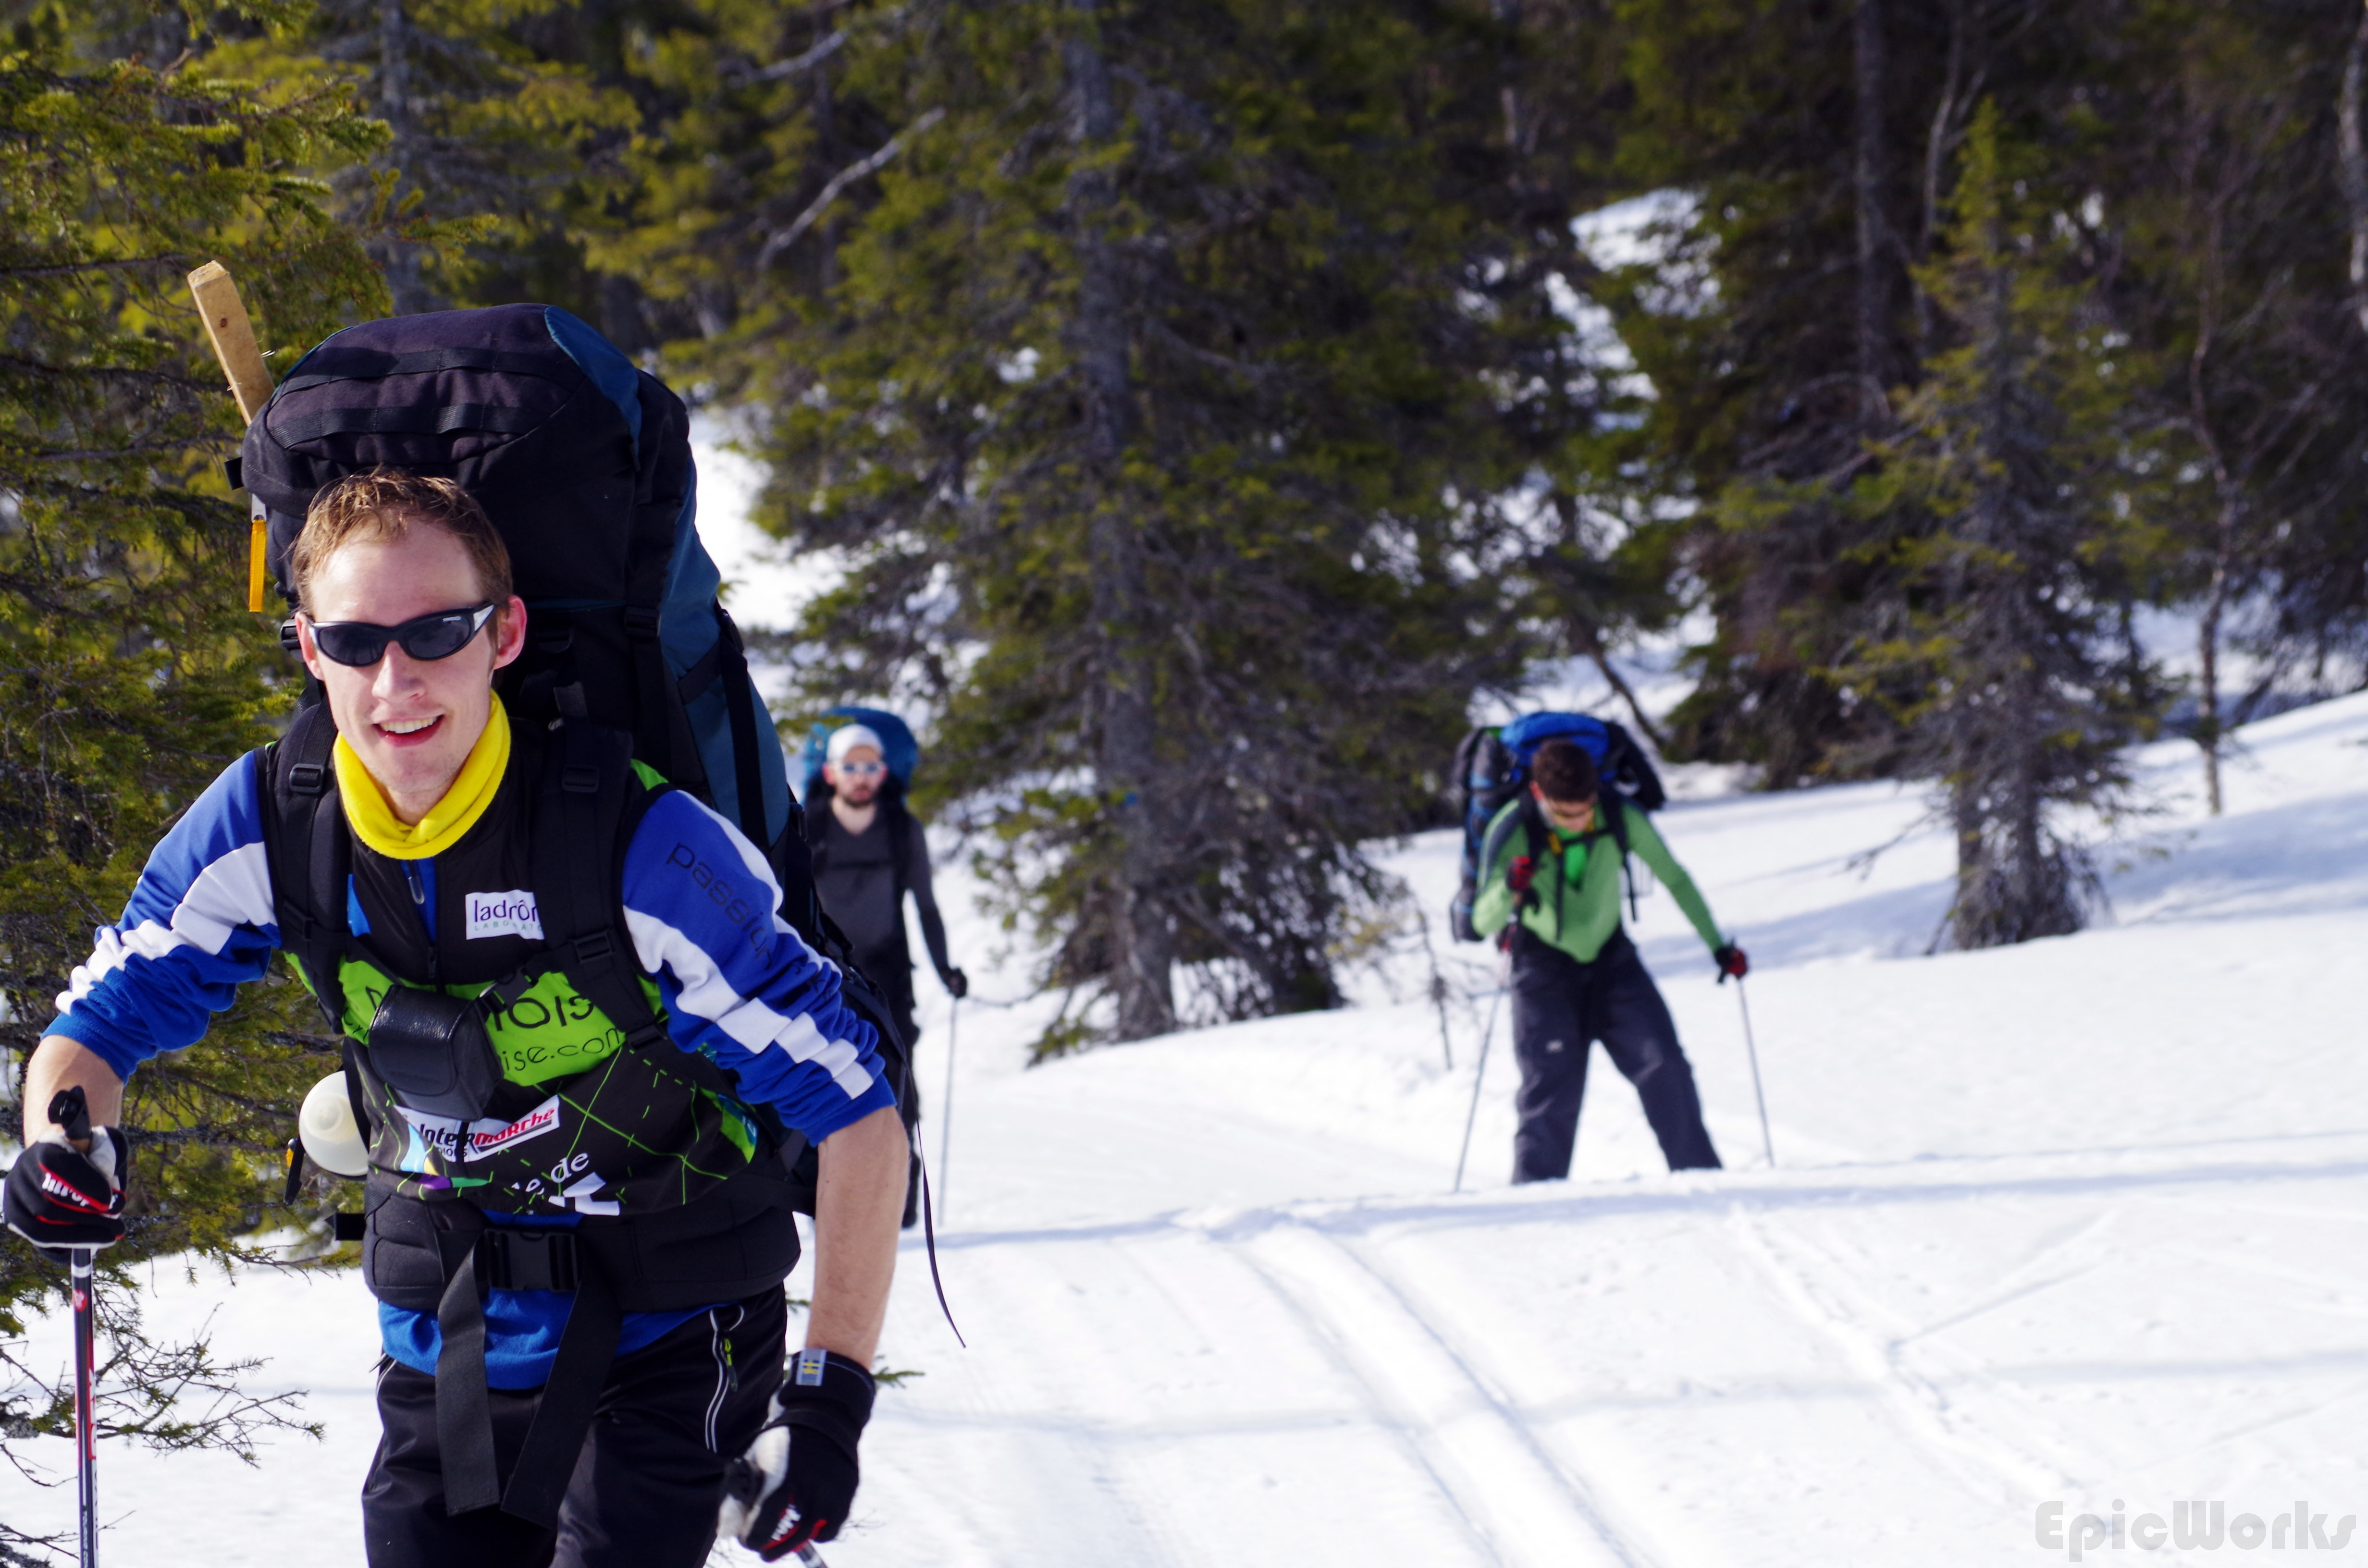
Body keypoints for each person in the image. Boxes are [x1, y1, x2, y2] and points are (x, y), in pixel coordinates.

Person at [3, 471, 901, 1567]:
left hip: (672, 1315)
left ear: (503, 633)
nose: (396, 680)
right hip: (449, 1321)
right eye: (356, 640)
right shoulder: (274, 822)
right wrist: (60, 1143)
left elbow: (856, 1109)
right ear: (310, 647)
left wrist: (830, 1397)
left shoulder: (641, 846)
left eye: (436, 631)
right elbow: (101, 1019)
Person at [1470, 737, 1746, 1180]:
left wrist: (1718, 945)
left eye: (1586, 809)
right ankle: (1535, 1205)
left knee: (1666, 1067)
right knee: (1550, 1096)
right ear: (1540, 794)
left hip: (1613, 963)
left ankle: (1708, 1184)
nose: (1580, 822)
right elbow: (1482, 921)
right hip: (1543, 972)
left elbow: (1674, 878)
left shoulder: (1619, 815)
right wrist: (1508, 886)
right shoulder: (1513, 828)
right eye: (1566, 815)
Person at [805, 723, 963, 1225]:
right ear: (831, 773)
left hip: (889, 978)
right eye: (850, 767)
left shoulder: (901, 829)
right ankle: (823, 1195)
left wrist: (945, 970)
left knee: (898, 1087)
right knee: (820, 1085)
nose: (861, 777)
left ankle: (901, 1202)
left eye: (870, 766)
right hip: (824, 980)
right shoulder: (808, 827)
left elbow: (927, 907)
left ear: (883, 772)